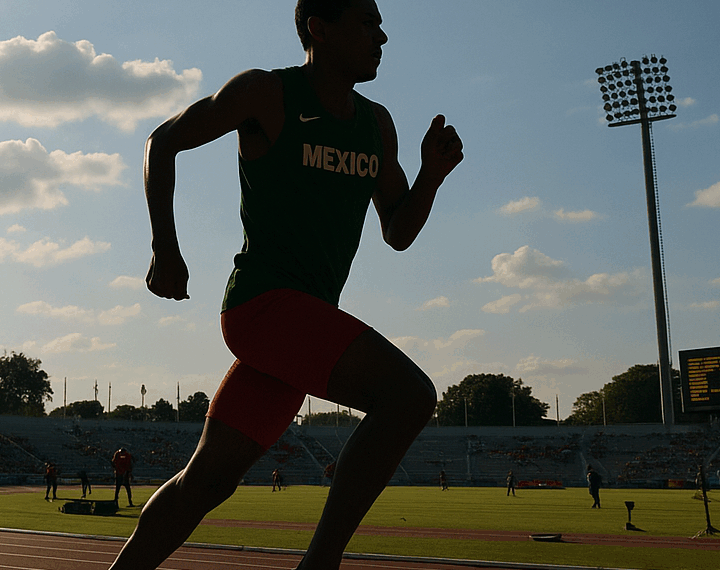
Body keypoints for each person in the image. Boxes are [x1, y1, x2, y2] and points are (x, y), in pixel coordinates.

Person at [108, 1, 462, 568]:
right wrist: (165, 248)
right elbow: (162, 142)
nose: (383, 35)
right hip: (264, 307)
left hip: (298, 329)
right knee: (409, 396)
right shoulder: (265, 94)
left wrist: (430, 177)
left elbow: (397, 231)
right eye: (368, 22)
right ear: (318, 28)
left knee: (204, 482)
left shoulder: (376, 125)